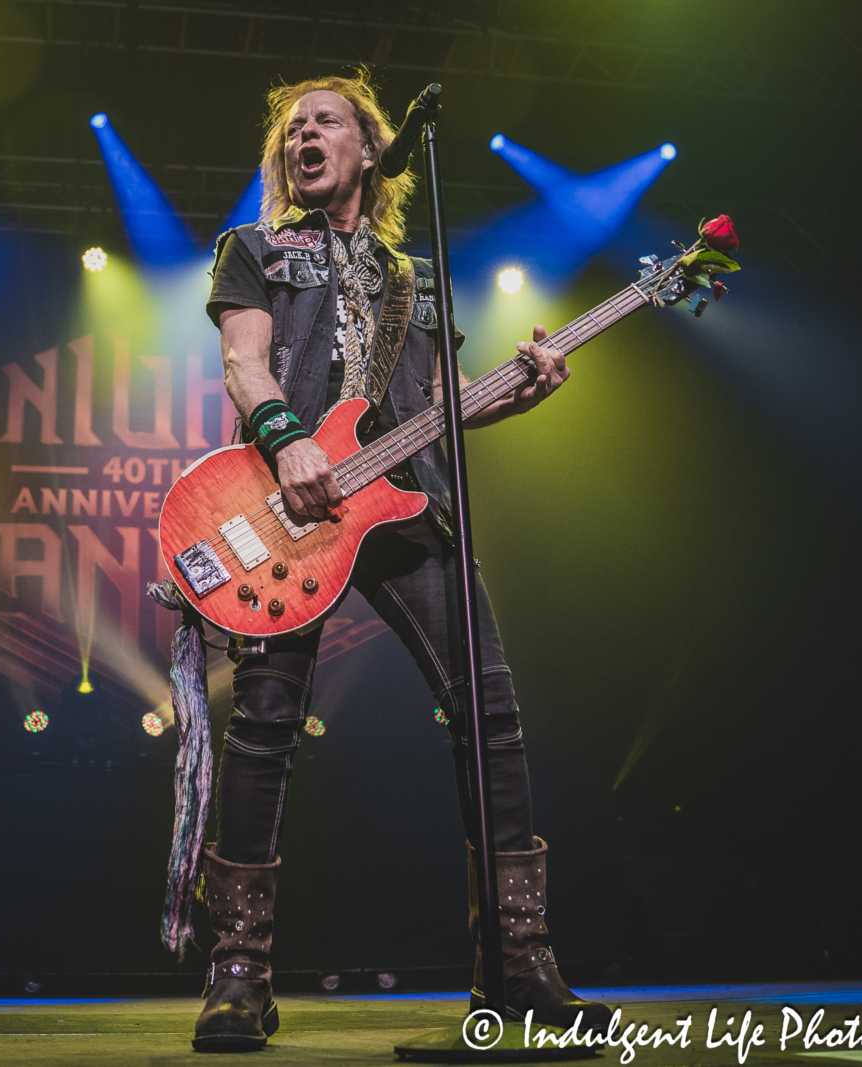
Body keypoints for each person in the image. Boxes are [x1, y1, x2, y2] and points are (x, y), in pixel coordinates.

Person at [191, 72, 608, 1052]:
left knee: (490, 711)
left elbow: (443, 400)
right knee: (263, 725)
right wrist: (288, 436)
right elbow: (245, 362)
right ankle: (239, 971)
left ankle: (518, 962)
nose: (305, 135)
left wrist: (523, 389)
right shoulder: (253, 251)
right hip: (294, 508)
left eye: (325, 121)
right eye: (293, 127)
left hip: (407, 500)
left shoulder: (411, 276)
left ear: (370, 149)